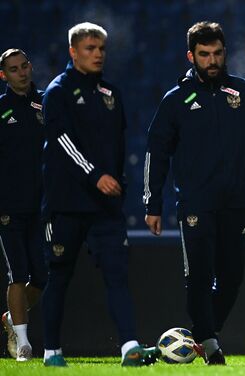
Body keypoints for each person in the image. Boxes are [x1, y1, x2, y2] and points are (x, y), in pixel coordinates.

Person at [143, 21, 245, 366]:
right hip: (196, 204)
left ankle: (196, 337)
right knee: (198, 275)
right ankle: (210, 345)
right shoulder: (177, 100)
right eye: (204, 54)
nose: (211, 60)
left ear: (225, 53)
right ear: (191, 56)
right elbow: (157, 152)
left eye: (216, 53)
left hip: (237, 202)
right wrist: (153, 202)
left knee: (231, 278)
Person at [41, 22, 158, 367]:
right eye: (90, 49)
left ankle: (129, 347)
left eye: (102, 49)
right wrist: (95, 175)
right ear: (73, 52)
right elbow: (62, 142)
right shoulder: (57, 92)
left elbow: (118, 147)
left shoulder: (111, 93)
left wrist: (116, 182)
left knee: (117, 275)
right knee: (59, 276)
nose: (98, 55)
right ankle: (51, 351)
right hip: (66, 205)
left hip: (105, 207)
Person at [0, 48, 46, 362]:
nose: (21, 72)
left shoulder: (47, 102)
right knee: (17, 274)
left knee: (43, 277)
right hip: (8, 207)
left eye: (24, 66)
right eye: (14, 69)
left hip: (42, 205)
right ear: (3, 76)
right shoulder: (1, 109)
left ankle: (10, 319)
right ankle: (24, 344)